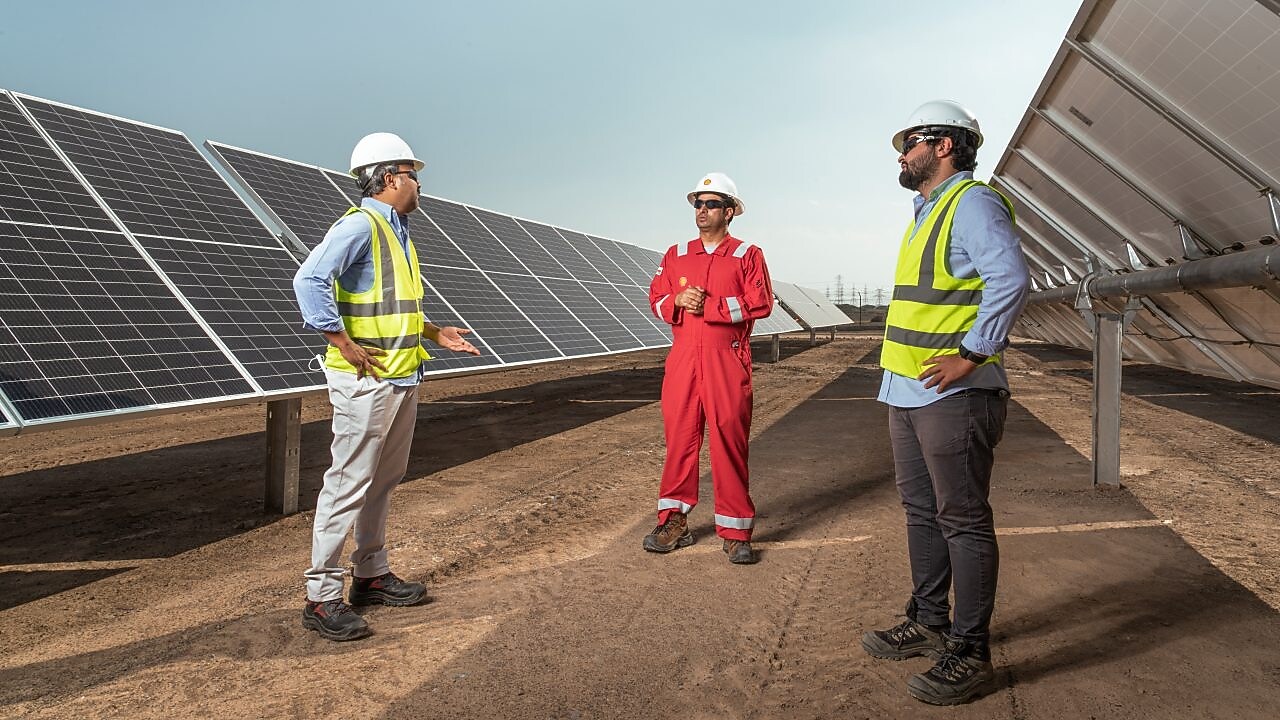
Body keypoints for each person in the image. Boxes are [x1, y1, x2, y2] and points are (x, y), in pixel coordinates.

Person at [860, 100, 1030, 704]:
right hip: (907, 391)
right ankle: (930, 621)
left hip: (954, 394)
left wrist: (974, 353)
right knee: (921, 511)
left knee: (961, 517)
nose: (903, 154)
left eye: (911, 143)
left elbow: (1011, 279)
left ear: (945, 145)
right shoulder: (926, 210)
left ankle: (970, 648)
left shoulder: (971, 202)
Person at [292, 132, 480, 641]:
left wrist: (435, 333)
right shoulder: (360, 226)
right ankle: (322, 596)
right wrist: (340, 339)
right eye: (414, 175)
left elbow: (394, 307)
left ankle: (370, 576)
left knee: (383, 480)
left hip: (401, 374)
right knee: (347, 482)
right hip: (365, 379)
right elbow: (308, 280)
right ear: (392, 178)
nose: (419, 185)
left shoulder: (398, 231)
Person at [644, 172, 774, 565]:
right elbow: (655, 299)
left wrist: (712, 307)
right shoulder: (675, 253)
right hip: (683, 360)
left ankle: (735, 532)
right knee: (679, 443)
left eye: (711, 203)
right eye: (698, 203)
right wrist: (678, 299)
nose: (702, 210)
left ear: (730, 211)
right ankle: (673, 521)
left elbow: (761, 302)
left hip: (726, 360)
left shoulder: (747, 255)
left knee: (727, 444)